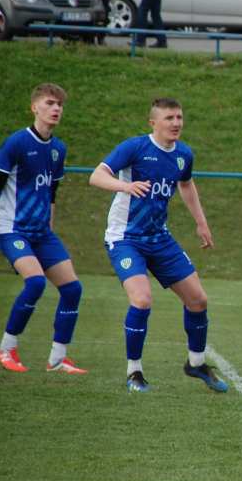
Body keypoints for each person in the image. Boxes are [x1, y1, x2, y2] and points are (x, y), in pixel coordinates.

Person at [88, 98, 226, 394]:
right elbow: (96, 176)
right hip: (126, 238)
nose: (176, 123)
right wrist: (125, 186)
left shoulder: (183, 154)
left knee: (198, 300)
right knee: (141, 299)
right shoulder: (135, 147)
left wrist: (201, 222)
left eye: (179, 117)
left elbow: (186, 185)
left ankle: (197, 363)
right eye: (169, 118)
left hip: (159, 238)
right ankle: (134, 372)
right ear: (153, 123)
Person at [0, 84, 86, 375]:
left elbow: (51, 193)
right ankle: (5, 348)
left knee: (73, 289)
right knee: (36, 283)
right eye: (50, 103)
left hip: (41, 233)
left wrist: (49, 229)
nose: (56, 109)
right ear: (35, 107)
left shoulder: (58, 149)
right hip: (11, 229)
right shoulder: (16, 143)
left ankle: (57, 359)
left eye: (60, 105)